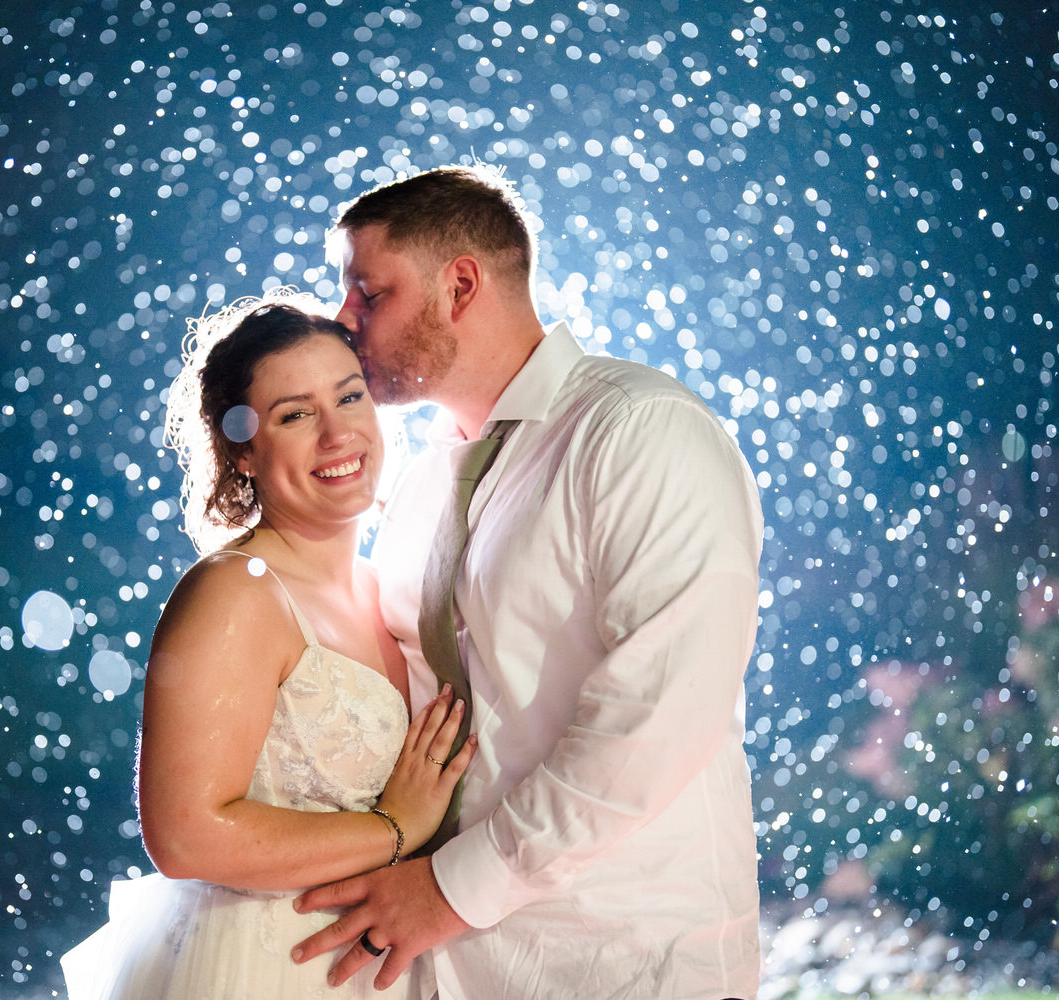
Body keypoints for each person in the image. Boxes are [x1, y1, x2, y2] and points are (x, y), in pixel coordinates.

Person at [290, 164, 765, 998]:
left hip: (623, 952)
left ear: (460, 284)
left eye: (370, 292)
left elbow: (660, 717)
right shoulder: (417, 484)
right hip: (443, 961)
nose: (343, 319)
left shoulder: (641, 432)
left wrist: (453, 890)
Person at [60, 292, 476, 999]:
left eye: (349, 398)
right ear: (244, 453)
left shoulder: (386, 588)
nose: (336, 433)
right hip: (268, 968)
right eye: (294, 415)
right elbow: (186, 835)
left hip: (377, 967)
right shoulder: (237, 591)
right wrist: (395, 830)